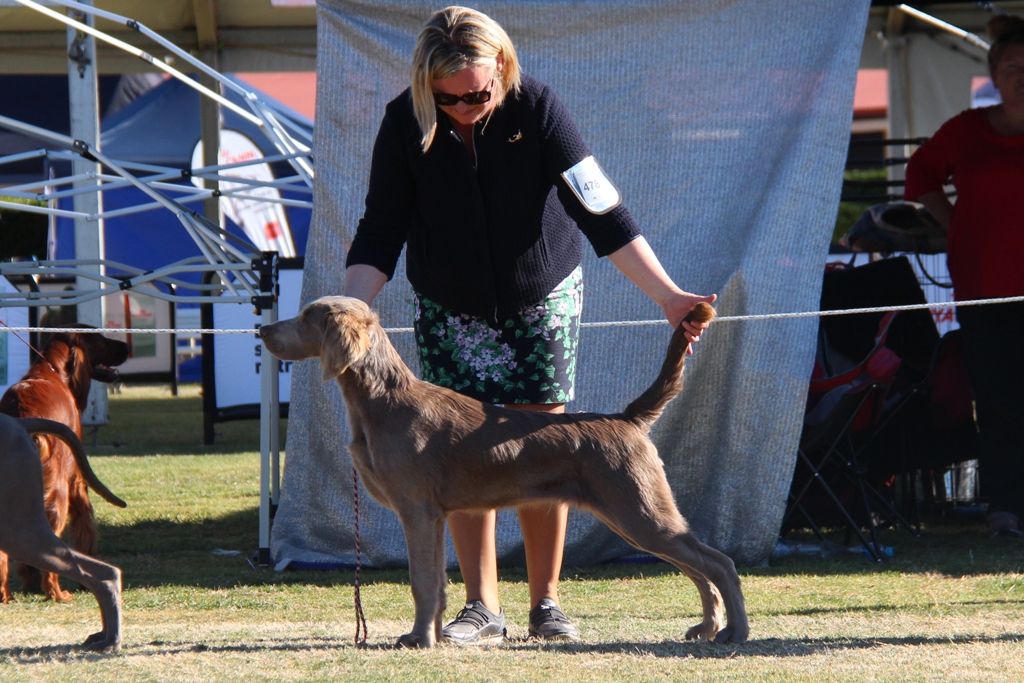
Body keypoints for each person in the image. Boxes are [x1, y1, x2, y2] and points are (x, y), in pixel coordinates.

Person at [343, 5, 717, 644]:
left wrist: (668, 296)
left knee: (544, 446)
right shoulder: (404, 121)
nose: (465, 107)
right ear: (426, 86)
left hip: (542, 297)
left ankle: (547, 603)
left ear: (502, 67)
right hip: (450, 305)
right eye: (448, 98)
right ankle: (481, 607)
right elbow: (381, 227)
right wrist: (352, 312)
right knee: (455, 454)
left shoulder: (538, 108)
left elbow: (603, 212)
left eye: (478, 94)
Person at [904, 15, 1024, 537]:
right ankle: (1005, 508)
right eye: (1013, 67)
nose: (1022, 77)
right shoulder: (967, 130)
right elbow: (919, 175)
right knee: (997, 398)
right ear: (994, 75)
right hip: (983, 285)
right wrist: (954, 223)